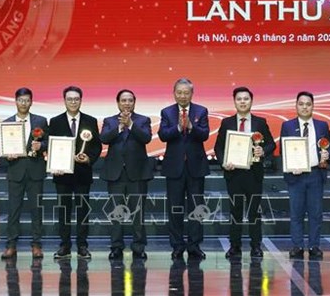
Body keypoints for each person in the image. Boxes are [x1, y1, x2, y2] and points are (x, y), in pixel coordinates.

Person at [214, 86, 275, 259]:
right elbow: (218, 147)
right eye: (239, 99)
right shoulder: (226, 123)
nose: (242, 102)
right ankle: (235, 246)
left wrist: (263, 151)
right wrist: (223, 162)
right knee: (235, 211)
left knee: (254, 211)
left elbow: (271, 144)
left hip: (254, 174)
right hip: (234, 174)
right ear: (234, 102)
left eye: (246, 99)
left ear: (251, 101)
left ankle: (256, 246)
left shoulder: (260, 122)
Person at [158, 78, 210, 260]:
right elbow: (163, 135)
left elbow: (204, 134)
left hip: (196, 167)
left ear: (191, 94)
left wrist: (192, 127)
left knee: (196, 208)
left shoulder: (201, 111)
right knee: (175, 208)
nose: (182, 96)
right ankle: (177, 245)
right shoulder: (167, 112)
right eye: (179, 92)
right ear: (174, 93)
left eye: (186, 92)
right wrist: (179, 127)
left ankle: (194, 245)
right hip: (175, 168)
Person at [48, 86, 102, 259]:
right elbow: (51, 145)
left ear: (81, 100)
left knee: (82, 211)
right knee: (63, 211)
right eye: (69, 99)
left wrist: (88, 158)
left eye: (76, 99)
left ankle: (82, 246)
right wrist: (53, 164)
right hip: (62, 174)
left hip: (82, 173)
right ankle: (64, 245)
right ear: (64, 100)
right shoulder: (55, 121)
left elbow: (97, 146)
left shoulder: (90, 121)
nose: (73, 102)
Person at [100, 89, 154, 260]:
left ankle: (138, 247)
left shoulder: (143, 120)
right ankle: (116, 247)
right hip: (116, 174)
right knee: (116, 213)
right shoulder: (109, 121)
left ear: (134, 102)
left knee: (138, 213)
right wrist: (119, 127)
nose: (127, 103)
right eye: (123, 100)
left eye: (130, 100)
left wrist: (131, 125)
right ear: (118, 103)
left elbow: (146, 138)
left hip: (137, 174)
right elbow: (104, 138)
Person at [280, 91, 330, 260]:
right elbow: (283, 149)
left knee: (315, 213)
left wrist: (328, 154)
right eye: (301, 104)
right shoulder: (287, 126)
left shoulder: (322, 125)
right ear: (296, 106)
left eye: (308, 104)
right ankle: (297, 246)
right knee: (296, 213)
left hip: (316, 174)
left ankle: (314, 246)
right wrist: (291, 166)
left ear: (313, 106)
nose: (305, 107)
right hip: (295, 176)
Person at [1, 88, 49, 260]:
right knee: (13, 210)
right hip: (16, 171)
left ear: (31, 102)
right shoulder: (7, 123)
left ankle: (36, 244)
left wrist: (41, 146)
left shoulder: (40, 121)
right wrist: (7, 155)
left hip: (36, 171)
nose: (24, 103)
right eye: (21, 100)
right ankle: (11, 245)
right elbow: (3, 149)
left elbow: (48, 142)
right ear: (15, 101)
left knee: (37, 210)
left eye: (27, 100)